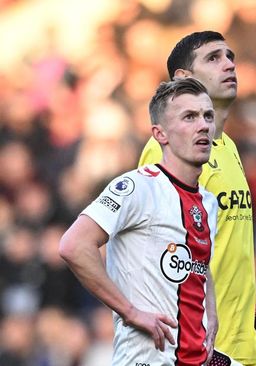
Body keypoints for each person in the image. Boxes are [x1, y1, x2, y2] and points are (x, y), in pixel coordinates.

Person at [59, 77, 219, 365]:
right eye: (189, 117)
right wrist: (129, 311)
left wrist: (211, 312)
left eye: (208, 115)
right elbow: (74, 245)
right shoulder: (137, 187)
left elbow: (200, 264)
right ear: (160, 134)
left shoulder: (208, 201)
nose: (203, 125)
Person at [138, 31, 256, 366]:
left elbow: (221, 240)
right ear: (184, 78)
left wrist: (245, 300)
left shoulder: (228, 147)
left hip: (240, 344)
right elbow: (158, 252)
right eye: (213, 58)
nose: (229, 64)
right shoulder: (168, 147)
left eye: (230, 56)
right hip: (201, 348)